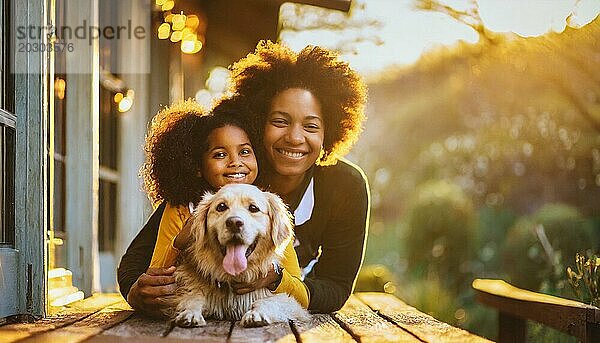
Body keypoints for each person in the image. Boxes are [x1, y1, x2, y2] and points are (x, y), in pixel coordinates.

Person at [118, 41, 369, 314]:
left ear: (329, 131)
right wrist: (136, 292)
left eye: (310, 126)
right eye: (280, 121)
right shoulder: (225, 179)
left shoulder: (345, 186)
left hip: (285, 311)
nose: (295, 138)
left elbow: (336, 285)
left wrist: (277, 282)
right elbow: (135, 262)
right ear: (257, 124)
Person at [126, 97, 308, 317]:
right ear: (197, 166)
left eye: (245, 152)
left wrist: (276, 275)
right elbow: (154, 278)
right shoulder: (181, 208)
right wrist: (182, 240)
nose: (235, 163)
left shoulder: (266, 210)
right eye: (220, 155)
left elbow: (300, 296)